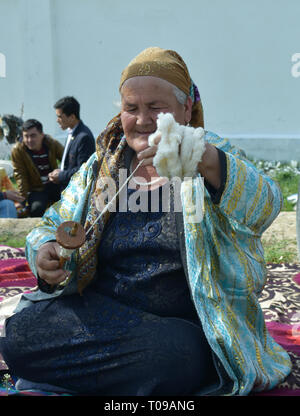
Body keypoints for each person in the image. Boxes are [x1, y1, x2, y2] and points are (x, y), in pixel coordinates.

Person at [0, 47, 292, 396]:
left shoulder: (207, 154)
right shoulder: (103, 166)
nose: (142, 119)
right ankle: (129, 379)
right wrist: (44, 249)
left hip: (181, 326)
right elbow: (52, 222)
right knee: (18, 333)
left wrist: (205, 160)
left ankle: (102, 374)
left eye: (157, 107)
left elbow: (267, 204)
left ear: (186, 109)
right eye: (131, 108)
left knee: (175, 357)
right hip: (101, 312)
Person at [11, 119, 64, 217]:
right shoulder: (18, 150)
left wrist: (61, 173)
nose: (29, 140)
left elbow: (67, 159)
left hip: (55, 184)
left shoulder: (51, 143)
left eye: (33, 136)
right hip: (36, 189)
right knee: (36, 209)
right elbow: (20, 174)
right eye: (26, 136)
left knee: (68, 204)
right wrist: (22, 199)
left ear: (42, 135)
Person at [49, 96, 95, 190]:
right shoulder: (72, 132)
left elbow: (83, 170)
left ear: (72, 117)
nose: (57, 120)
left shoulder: (83, 137)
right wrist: (60, 171)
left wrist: (61, 176)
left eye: (60, 117)